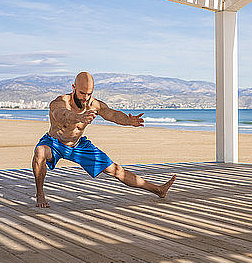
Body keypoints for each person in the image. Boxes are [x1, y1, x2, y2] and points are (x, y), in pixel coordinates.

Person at [32, 72, 176, 208]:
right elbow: (60, 114)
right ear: (73, 88)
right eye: (82, 93)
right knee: (40, 151)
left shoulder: (93, 104)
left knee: (116, 170)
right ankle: (40, 194)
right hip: (54, 143)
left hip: (78, 145)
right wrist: (79, 117)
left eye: (89, 94)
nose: (85, 97)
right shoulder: (60, 101)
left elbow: (112, 115)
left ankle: (158, 189)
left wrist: (128, 120)